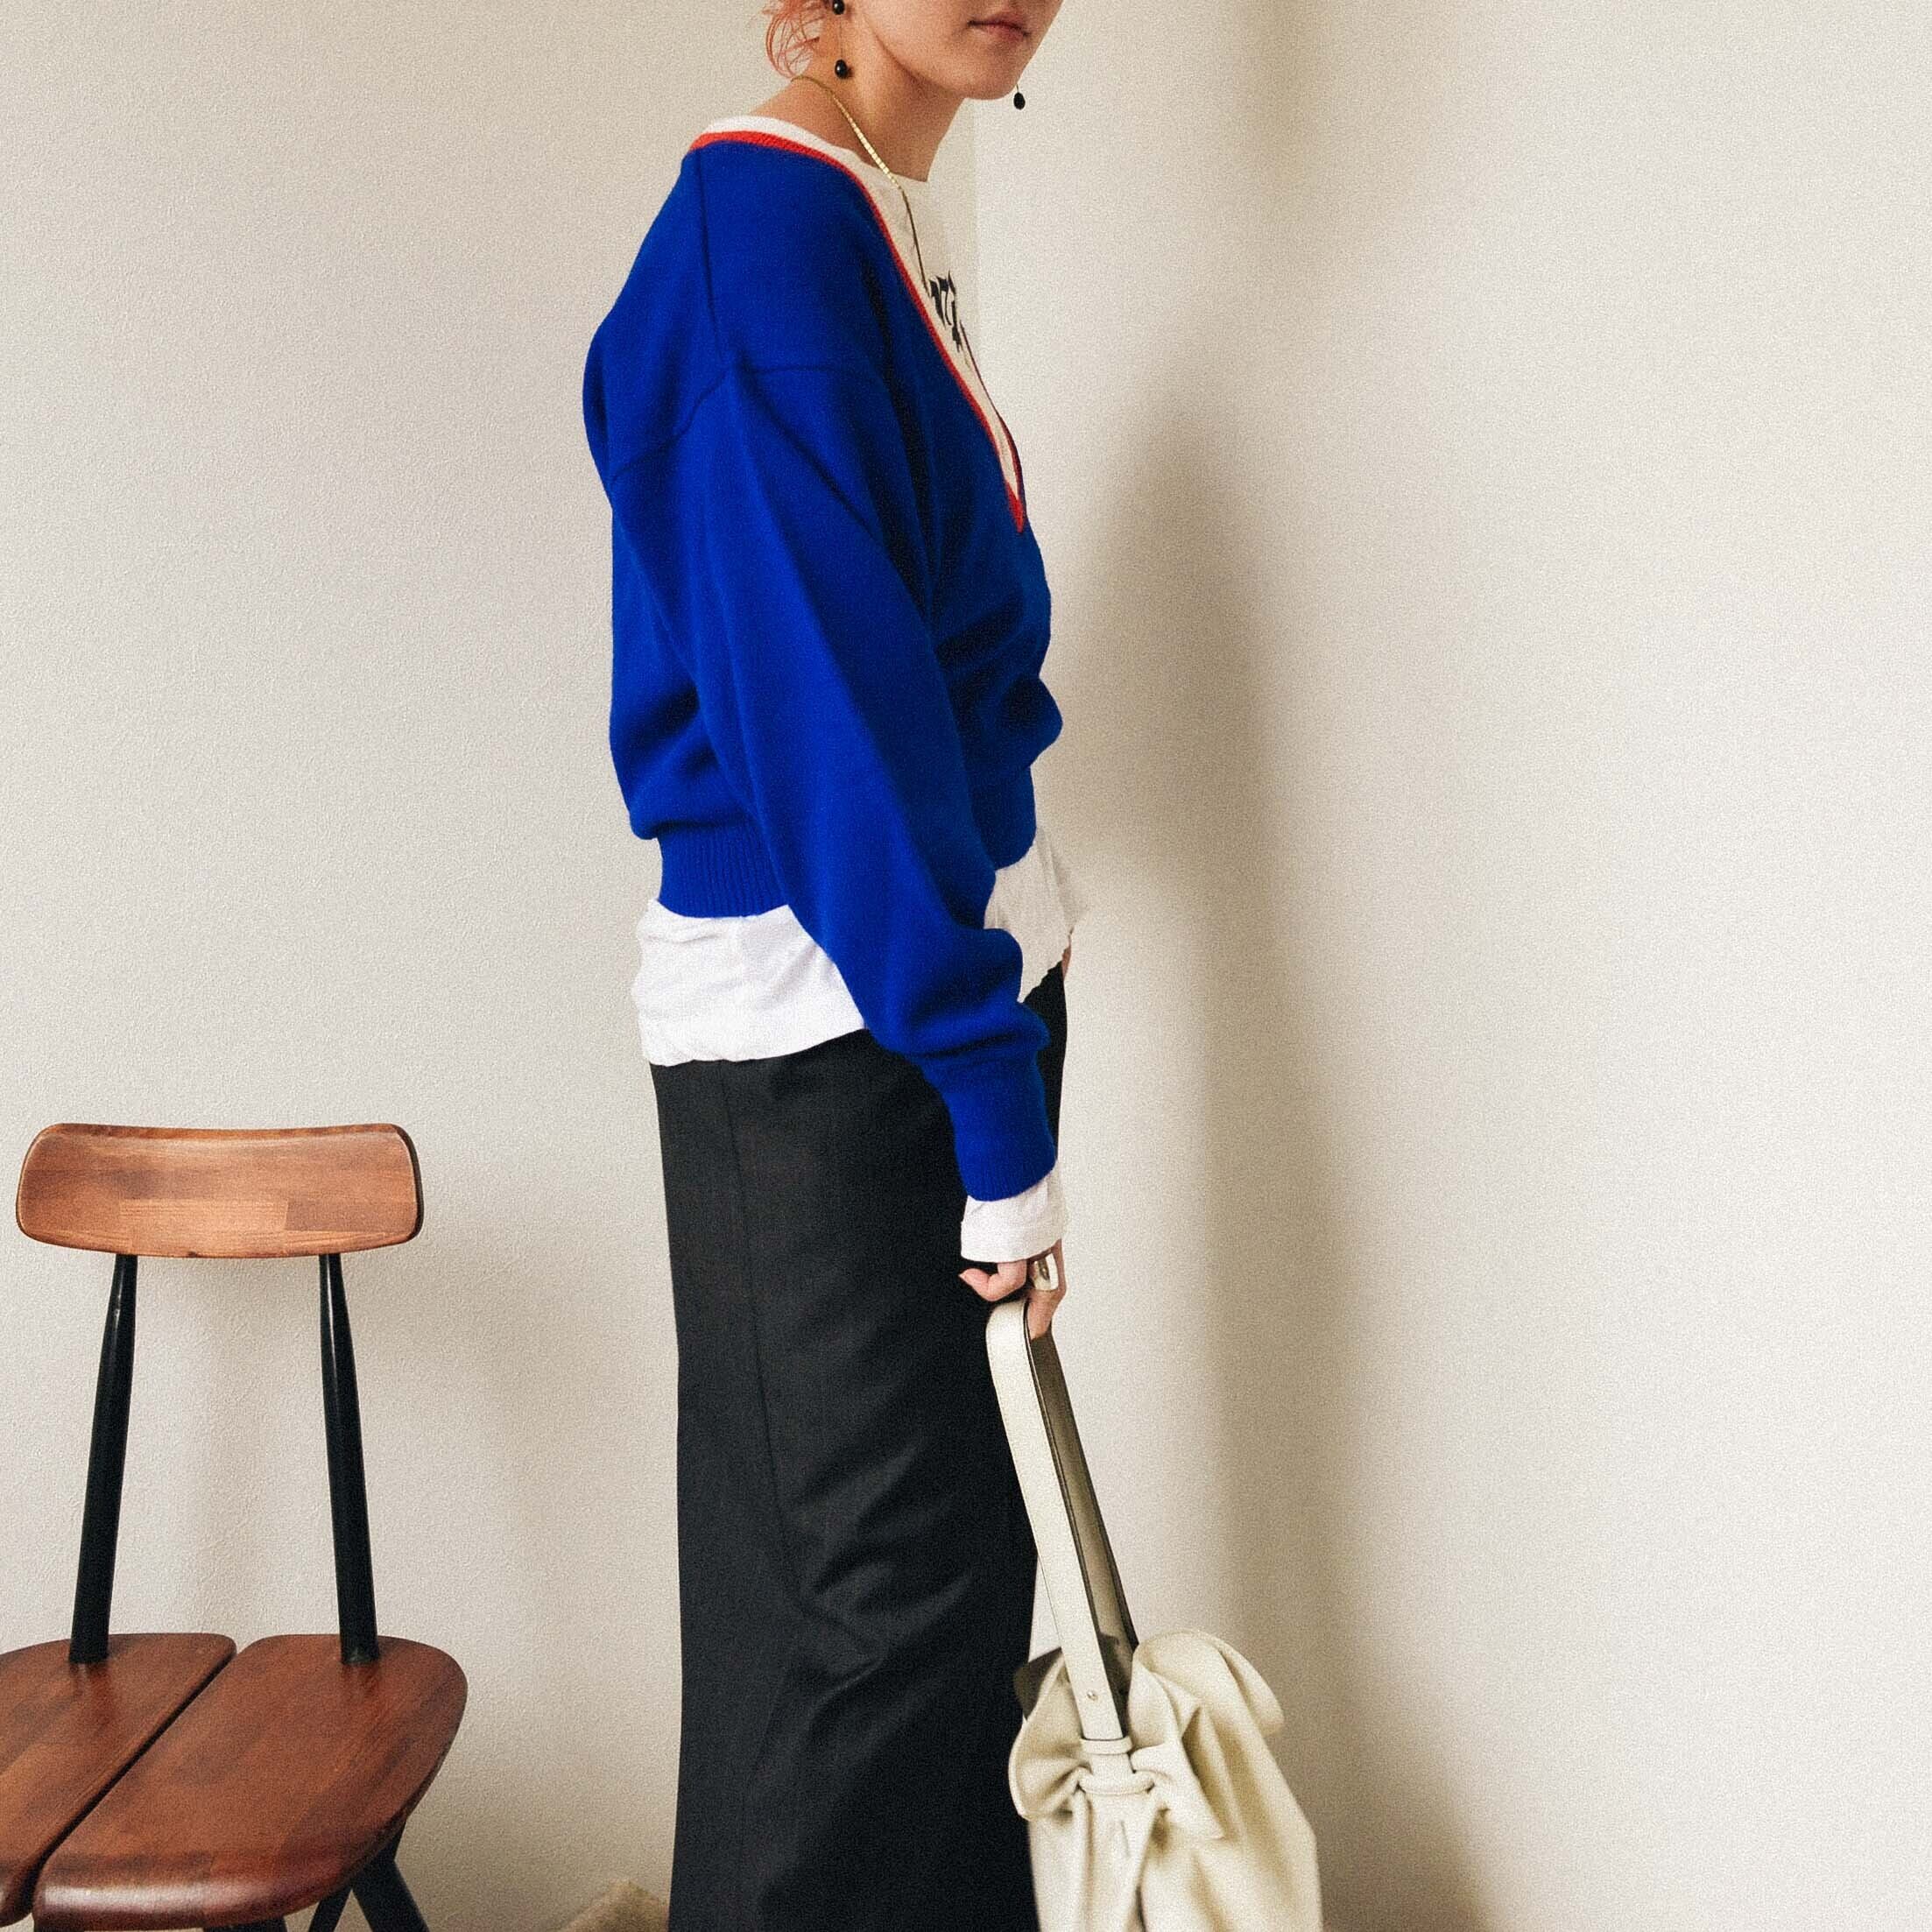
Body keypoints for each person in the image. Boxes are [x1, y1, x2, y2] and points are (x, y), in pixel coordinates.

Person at [580, 2, 1077, 1924]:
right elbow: (827, 730)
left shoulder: (866, 207)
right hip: (839, 1025)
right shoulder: (767, 238)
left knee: (930, 1626)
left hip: (909, 999)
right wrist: (989, 1092)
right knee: (859, 1651)